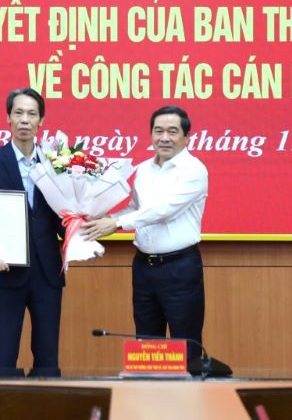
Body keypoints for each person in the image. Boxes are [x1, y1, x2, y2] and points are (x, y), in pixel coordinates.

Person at [81, 105, 208, 345]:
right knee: (146, 343)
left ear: (186, 136)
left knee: (186, 343)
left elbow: (163, 210)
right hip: (144, 267)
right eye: (158, 131)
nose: (164, 138)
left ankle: (190, 384)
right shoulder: (143, 170)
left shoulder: (194, 170)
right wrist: (100, 219)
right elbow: (137, 209)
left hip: (179, 268)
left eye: (172, 131)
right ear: (151, 135)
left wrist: (117, 223)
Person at [0, 87, 64, 377]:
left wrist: (78, 237)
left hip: (47, 271)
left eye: (32, 114)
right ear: (8, 119)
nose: (25, 120)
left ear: (41, 121)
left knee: (48, 358)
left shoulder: (56, 164)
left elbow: (63, 215)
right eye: (18, 113)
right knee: (3, 357)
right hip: (5, 270)